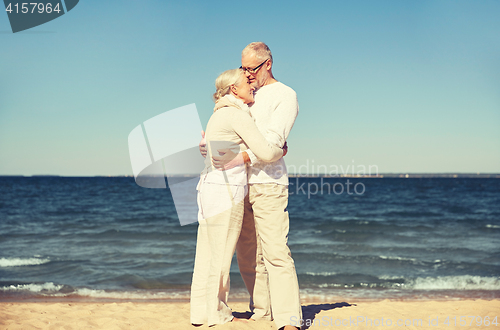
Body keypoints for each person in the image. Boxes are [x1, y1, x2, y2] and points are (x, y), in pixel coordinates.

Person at [208, 42, 302, 330]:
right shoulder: (246, 96)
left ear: (268, 64)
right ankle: (262, 310)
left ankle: (289, 319)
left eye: (251, 69)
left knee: (275, 252)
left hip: (268, 183)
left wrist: (245, 155)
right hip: (237, 187)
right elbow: (231, 136)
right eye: (243, 69)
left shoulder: (285, 95)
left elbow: (272, 144)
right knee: (247, 256)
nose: (246, 75)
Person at [190, 68, 285, 326]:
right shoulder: (235, 114)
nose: (251, 84)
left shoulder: (218, 115)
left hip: (208, 189)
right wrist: (281, 149)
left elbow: (217, 152)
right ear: (234, 89)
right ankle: (217, 314)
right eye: (246, 82)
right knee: (220, 256)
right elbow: (265, 151)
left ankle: (200, 312)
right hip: (225, 192)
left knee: (207, 254)